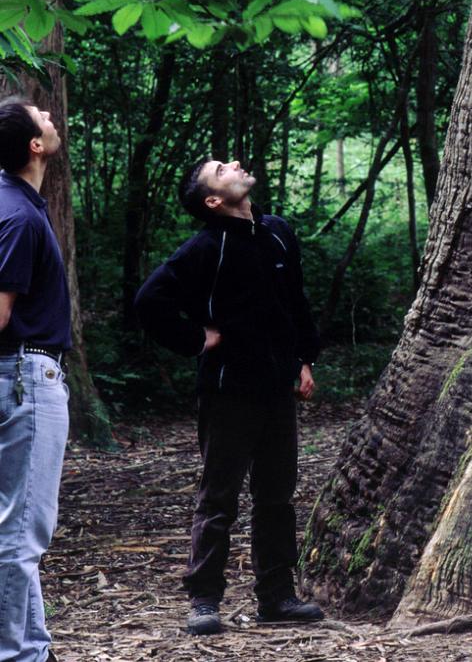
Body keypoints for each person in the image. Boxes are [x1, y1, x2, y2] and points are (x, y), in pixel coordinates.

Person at [135, 157, 324, 636]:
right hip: (227, 391)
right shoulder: (205, 248)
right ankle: (204, 601)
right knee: (219, 498)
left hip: (277, 388)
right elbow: (149, 301)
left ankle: (277, 597)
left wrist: (305, 359)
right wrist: (199, 340)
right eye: (221, 169)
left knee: (277, 497)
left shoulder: (278, 231)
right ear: (214, 201)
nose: (235, 164)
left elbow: (295, 303)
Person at [0, 97, 69, 662]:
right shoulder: (19, 216)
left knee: (16, 528)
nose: (49, 113)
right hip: (25, 375)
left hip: (21, 373)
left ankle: (33, 651)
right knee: (22, 533)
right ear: (35, 145)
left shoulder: (16, 204)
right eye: (39, 115)